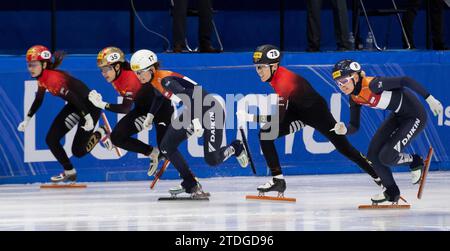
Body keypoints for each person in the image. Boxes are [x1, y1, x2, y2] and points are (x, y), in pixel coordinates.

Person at [237, 44, 380, 197]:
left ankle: (379, 177)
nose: (259, 72)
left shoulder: (283, 81)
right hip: (296, 109)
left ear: (274, 66)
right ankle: (278, 180)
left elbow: (277, 118)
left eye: (262, 67)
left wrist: (251, 117)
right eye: (257, 67)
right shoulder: (274, 77)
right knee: (265, 134)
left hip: (316, 112)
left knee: (344, 148)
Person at [130, 49, 248, 198]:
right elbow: (159, 96)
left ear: (152, 69)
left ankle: (236, 147)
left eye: (140, 72)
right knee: (166, 146)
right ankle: (190, 183)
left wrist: (198, 121)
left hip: (210, 110)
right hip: (193, 112)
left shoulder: (165, 80)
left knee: (212, 159)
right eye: (136, 73)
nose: (138, 76)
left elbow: (188, 96)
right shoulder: (156, 81)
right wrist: (150, 116)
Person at [331, 59, 443, 203]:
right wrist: (344, 130)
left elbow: (405, 80)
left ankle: (415, 161)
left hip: (415, 116)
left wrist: (429, 98)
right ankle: (391, 192)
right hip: (398, 115)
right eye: (338, 83)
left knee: (387, 157)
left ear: (356, 77)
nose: (342, 86)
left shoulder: (373, 84)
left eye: (344, 80)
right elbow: (354, 126)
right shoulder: (354, 98)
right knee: (372, 156)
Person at [17, 45, 103, 183]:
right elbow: (38, 100)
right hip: (76, 105)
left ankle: (101, 132)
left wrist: (88, 119)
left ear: (44, 64)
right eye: (29, 65)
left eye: (33, 65)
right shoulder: (42, 78)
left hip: (90, 107)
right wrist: (27, 119)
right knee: (51, 139)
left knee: (78, 151)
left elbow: (74, 98)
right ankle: (70, 171)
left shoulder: (53, 79)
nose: (30, 68)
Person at [88, 47, 173, 175]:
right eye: (102, 70)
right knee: (117, 138)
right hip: (143, 109)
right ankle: (152, 152)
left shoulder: (129, 77)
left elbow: (125, 108)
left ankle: (191, 181)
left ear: (117, 67)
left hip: (161, 109)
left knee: (166, 150)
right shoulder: (116, 77)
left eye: (107, 69)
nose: (104, 73)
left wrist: (102, 104)